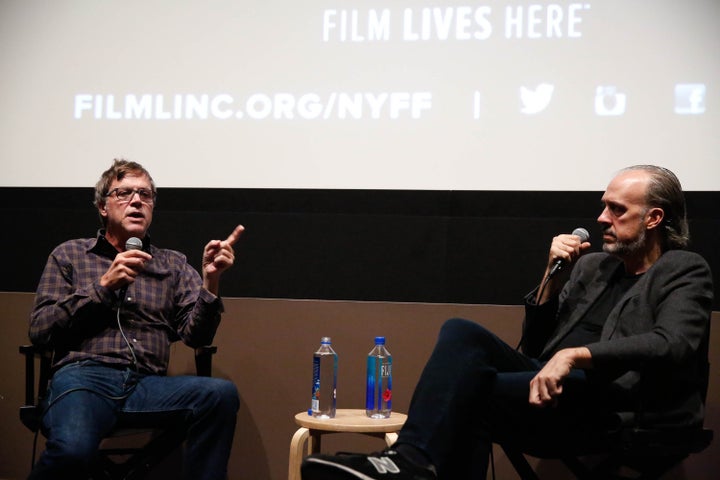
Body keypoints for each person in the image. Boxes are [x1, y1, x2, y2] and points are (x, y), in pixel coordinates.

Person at [301, 165, 714, 479]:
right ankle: (407, 460)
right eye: (603, 205)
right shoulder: (593, 268)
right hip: (551, 385)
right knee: (461, 330)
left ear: (655, 218)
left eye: (617, 209)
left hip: (618, 402)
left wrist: (576, 356)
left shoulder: (682, 269)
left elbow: (673, 343)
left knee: (476, 392)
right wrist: (550, 279)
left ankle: (407, 463)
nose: (602, 217)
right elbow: (535, 349)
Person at [28, 159, 244, 480]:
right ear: (103, 207)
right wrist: (103, 286)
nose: (137, 201)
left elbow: (196, 336)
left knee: (220, 395)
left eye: (145, 194)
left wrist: (210, 281)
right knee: (72, 452)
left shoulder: (171, 264)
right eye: (124, 193)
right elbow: (41, 329)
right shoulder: (70, 255)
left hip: (147, 385)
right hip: (84, 381)